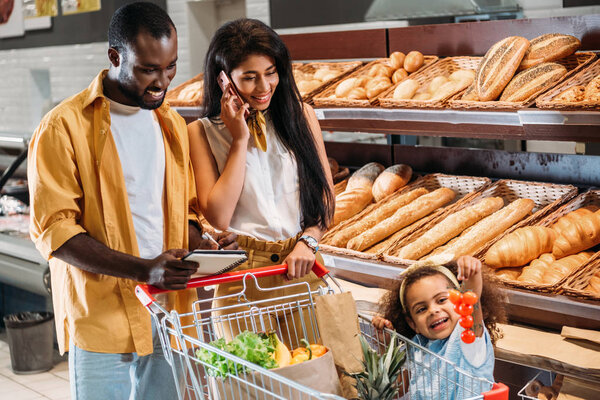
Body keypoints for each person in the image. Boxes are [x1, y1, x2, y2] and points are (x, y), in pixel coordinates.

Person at [28, 3, 236, 399]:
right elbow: (55, 231)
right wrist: (143, 270)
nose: (163, 82)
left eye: (171, 66)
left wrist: (204, 243)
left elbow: (181, 210)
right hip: (102, 318)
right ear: (115, 57)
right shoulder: (63, 127)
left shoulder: (171, 123)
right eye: (148, 69)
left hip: (170, 312)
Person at [188, 18, 334, 346]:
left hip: (301, 265)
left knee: (318, 381)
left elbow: (325, 199)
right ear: (223, 78)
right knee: (255, 385)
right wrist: (239, 139)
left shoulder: (302, 116)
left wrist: (308, 242)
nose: (264, 86)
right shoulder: (200, 133)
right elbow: (219, 216)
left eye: (270, 72)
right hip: (242, 274)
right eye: (249, 77)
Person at [372, 256, 506, 399]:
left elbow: (471, 302)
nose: (433, 310)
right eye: (421, 309)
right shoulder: (418, 347)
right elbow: (395, 391)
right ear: (412, 324)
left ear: (459, 301)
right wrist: (387, 346)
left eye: (441, 300)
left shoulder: (468, 339)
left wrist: (471, 277)